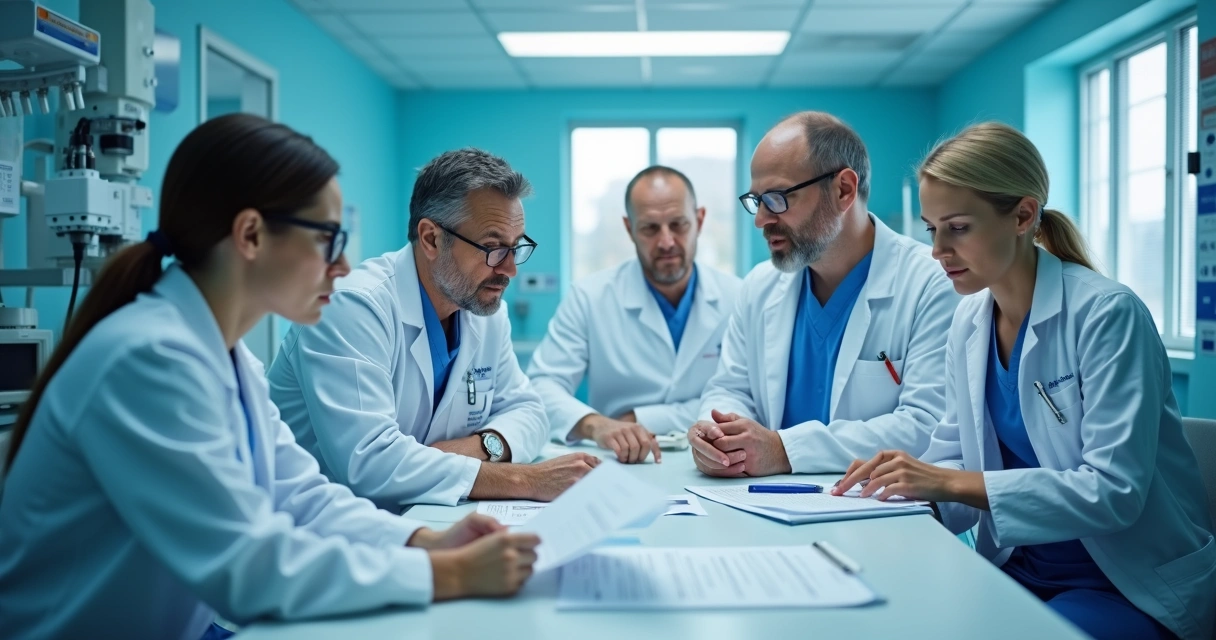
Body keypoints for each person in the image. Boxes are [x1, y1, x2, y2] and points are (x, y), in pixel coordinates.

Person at [0, 115, 540, 640]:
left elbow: (301, 495)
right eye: (327, 237)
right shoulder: (148, 359)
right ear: (252, 236)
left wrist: (425, 542)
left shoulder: (230, 359)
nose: (345, 266)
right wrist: (447, 574)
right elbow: (243, 569)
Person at [833, 122, 1215, 640]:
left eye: (959, 227)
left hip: (1126, 586)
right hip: (1020, 571)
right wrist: (890, 500)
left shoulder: (1107, 315)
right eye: (932, 228)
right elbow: (952, 456)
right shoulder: (969, 322)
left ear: (1023, 215)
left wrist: (944, 481)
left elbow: (1113, 492)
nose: (938, 250)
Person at [267, 148, 597, 509]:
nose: (509, 270)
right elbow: (371, 463)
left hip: (420, 519)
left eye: (515, 248)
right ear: (431, 238)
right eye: (491, 248)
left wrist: (480, 446)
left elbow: (531, 413)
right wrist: (525, 479)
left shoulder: (483, 310)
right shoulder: (354, 306)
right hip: (322, 533)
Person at [689, 111, 958, 477]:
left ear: (844, 190)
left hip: (878, 515)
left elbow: (927, 425)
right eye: (757, 200)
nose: (761, 219)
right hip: (765, 503)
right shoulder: (760, 286)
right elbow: (731, 388)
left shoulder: (931, 284)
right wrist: (716, 432)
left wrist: (784, 451)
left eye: (778, 198)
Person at [527, 166, 742, 463]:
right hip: (620, 462)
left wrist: (639, 417)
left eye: (678, 224)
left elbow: (745, 400)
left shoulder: (738, 297)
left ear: (700, 220)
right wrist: (597, 424)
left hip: (713, 462)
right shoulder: (590, 297)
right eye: (650, 228)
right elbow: (541, 387)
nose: (666, 242)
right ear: (629, 229)